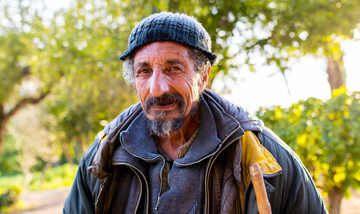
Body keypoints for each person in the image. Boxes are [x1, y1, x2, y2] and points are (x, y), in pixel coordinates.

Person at [63, 12, 328, 214]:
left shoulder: (260, 155)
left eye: (174, 68)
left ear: (203, 76)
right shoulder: (103, 156)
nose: (157, 88)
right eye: (144, 71)